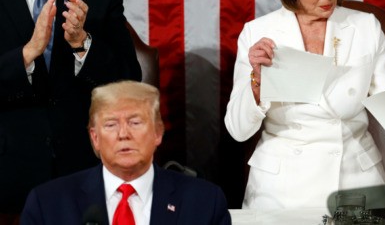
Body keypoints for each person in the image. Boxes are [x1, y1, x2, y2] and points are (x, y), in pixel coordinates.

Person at [224, 0, 385, 212]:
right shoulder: (258, 33)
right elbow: (238, 129)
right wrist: (257, 82)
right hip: (282, 188)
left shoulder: (365, 26)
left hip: (357, 181)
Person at [0, 0, 142, 218]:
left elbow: (130, 81)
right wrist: (28, 53)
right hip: (8, 172)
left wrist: (83, 44)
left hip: (85, 165)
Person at [20, 81, 232, 225]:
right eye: (111, 124)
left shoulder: (205, 202)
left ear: (158, 132)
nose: (123, 134)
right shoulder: (48, 204)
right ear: (95, 138)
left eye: (135, 122)